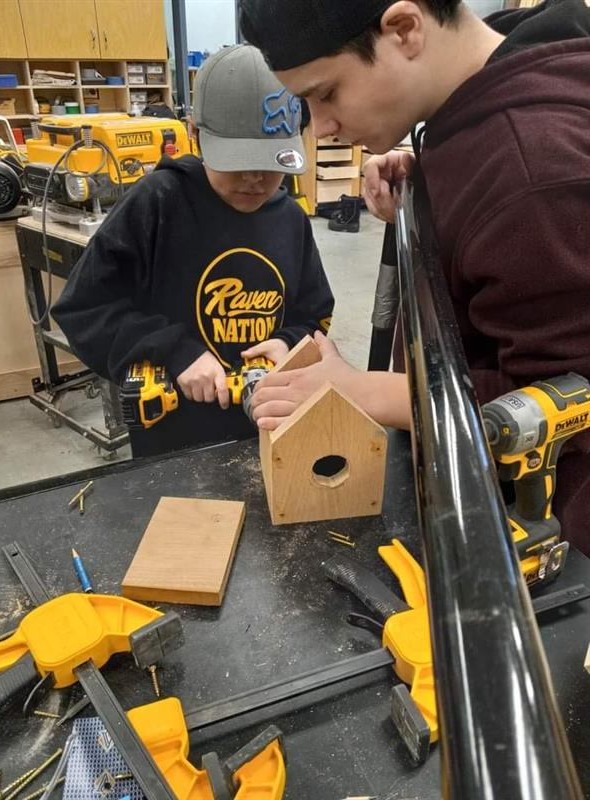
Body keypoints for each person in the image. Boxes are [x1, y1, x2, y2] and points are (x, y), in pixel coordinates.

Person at [240, 0, 590, 554]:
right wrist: (428, 189)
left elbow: (566, 408)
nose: (322, 126)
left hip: (551, 536)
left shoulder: (532, 171)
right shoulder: (502, 64)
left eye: (325, 93)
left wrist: (364, 391)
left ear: (404, 29)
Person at [52, 45, 334, 457]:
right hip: (172, 442)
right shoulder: (158, 203)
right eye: (238, 161)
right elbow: (83, 310)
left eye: (271, 163)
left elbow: (314, 312)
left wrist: (288, 343)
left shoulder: (289, 218)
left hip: (266, 433)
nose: (256, 179)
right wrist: (175, 351)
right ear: (196, 135)